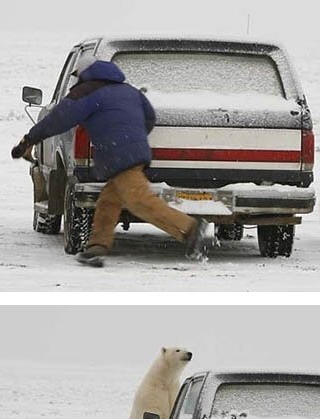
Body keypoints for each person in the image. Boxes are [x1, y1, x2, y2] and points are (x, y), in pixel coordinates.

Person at [11, 60, 207, 268]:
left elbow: (57, 119)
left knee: (138, 201)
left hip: (119, 155)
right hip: (133, 153)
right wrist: (131, 138)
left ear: (85, 74)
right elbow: (149, 117)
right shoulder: (129, 91)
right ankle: (97, 247)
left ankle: (190, 228)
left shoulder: (86, 92)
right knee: (108, 202)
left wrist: (28, 140)